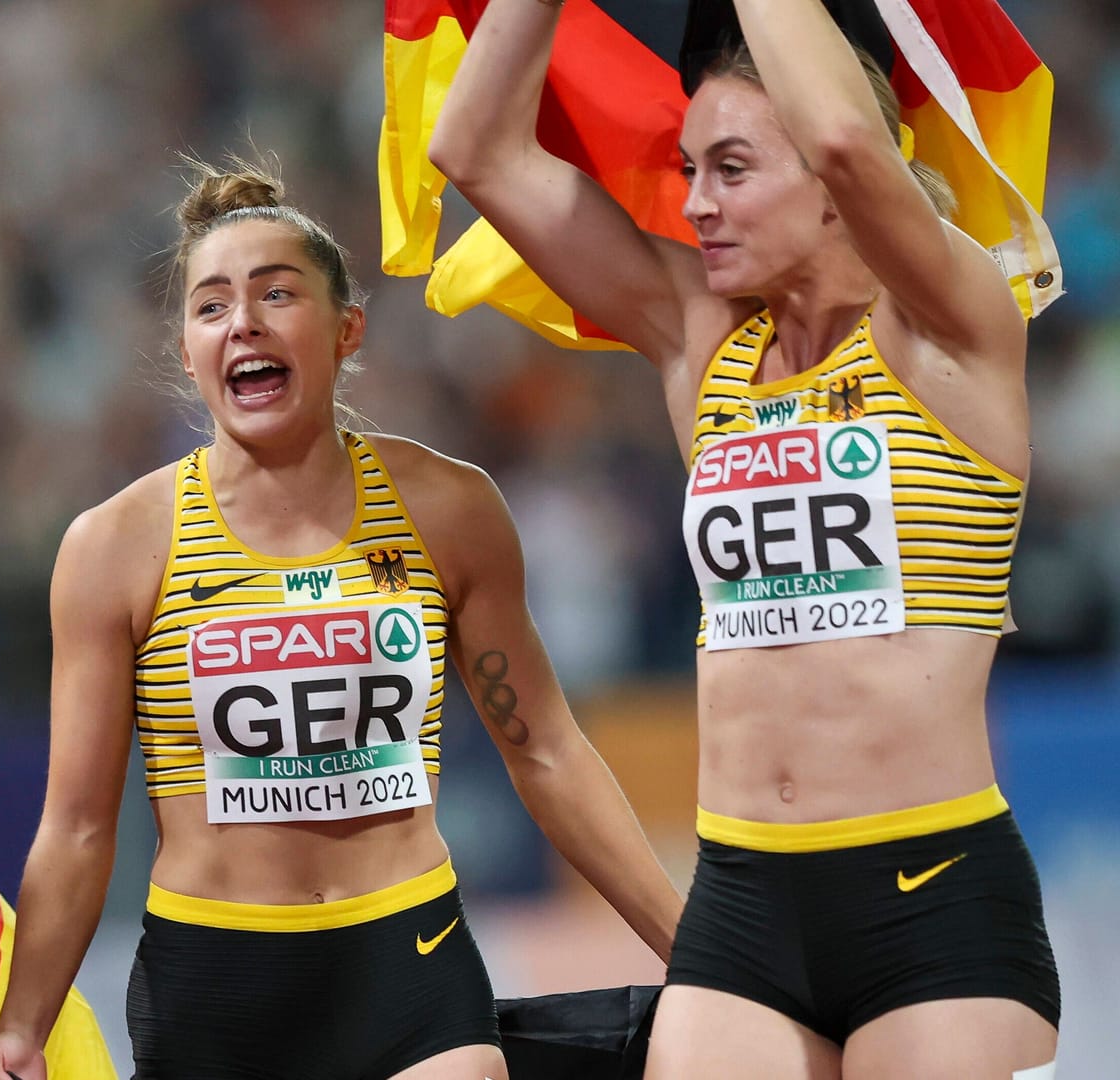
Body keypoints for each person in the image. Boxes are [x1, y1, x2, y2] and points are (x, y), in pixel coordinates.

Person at [427, 2, 1058, 1077]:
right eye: (689, 169)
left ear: (827, 184)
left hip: (931, 900)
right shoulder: (703, 347)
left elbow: (857, 140)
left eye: (731, 168)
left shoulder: (951, 330)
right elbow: (471, 149)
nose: (695, 204)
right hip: (742, 904)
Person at [0, 159, 681, 1080]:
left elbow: (546, 749)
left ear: (347, 329)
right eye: (213, 305)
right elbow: (76, 827)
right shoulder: (114, 546)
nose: (245, 324)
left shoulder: (448, 509)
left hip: (409, 965)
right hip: (214, 985)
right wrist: (21, 1028)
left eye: (277, 295)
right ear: (188, 349)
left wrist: (694, 950)